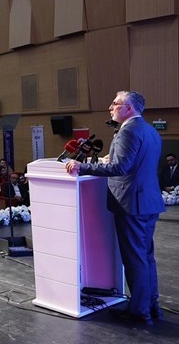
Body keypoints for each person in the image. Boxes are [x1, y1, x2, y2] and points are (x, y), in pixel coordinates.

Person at [64, 90, 165, 324]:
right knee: (146, 256)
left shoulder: (127, 131)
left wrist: (82, 166)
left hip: (131, 203)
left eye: (115, 104)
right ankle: (152, 306)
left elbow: (120, 169)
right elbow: (135, 162)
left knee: (135, 259)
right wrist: (112, 159)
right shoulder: (149, 130)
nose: (111, 107)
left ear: (128, 108)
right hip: (148, 201)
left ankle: (139, 311)